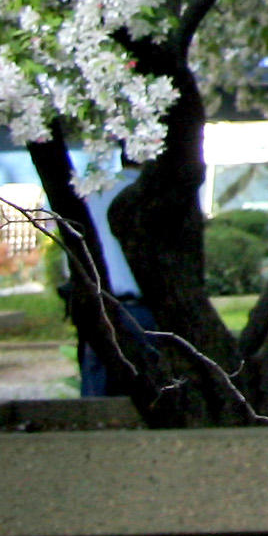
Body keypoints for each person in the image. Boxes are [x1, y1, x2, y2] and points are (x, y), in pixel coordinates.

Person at [71, 167, 161, 400]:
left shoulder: (93, 191)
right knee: (154, 389)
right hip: (146, 308)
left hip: (100, 304)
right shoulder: (158, 193)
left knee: (98, 392)